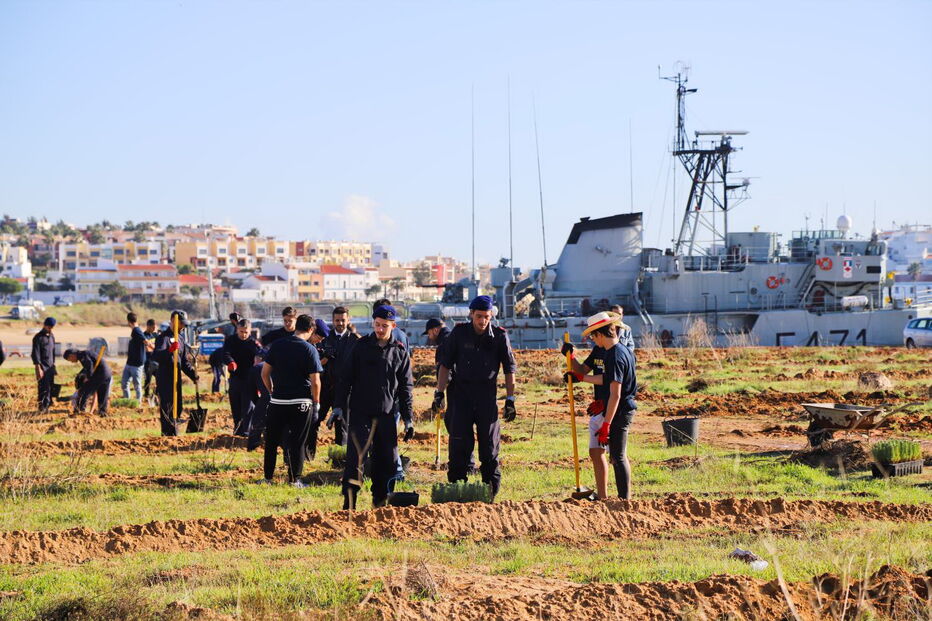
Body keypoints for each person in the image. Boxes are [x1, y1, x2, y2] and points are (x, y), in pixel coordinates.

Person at [333, 305, 414, 509]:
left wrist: (408, 418)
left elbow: (406, 387)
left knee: (386, 460)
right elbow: (345, 379)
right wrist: (338, 407)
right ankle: (349, 502)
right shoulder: (361, 347)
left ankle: (380, 503)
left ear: (393, 326)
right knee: (356, 459)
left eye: (384, 326)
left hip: (386, 415)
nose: (379, 329)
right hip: (361, 413)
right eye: (377, 325)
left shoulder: (399, 351)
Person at [436, 296, 516, 499]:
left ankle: (489, 494)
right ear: (471, 314)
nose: (482, 321)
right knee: (459, 446)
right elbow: (445, 364)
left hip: (486, 398)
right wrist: (439, 393)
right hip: (460, 396)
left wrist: (510, 400)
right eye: (479, 316)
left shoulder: (499, 336)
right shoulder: (459, 333)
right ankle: (457, 493)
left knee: (489, 448)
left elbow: (509, 369)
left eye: (487, 317)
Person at [561, 312, 632, 499]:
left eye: (593, 335)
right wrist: (574, 362)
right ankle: (603, 497)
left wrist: (606, 425)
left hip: (617, 411)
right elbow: (604, 378)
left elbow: (616, 393)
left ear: (600, 334)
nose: (592, 339)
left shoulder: (617, 355)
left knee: (618, 457)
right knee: (598, 452)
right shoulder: (606, 352)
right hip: (605, 409)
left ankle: (625, 501)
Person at [260, 314, 322, 486]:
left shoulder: (278, 345)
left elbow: (264, 373)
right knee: (297, 442)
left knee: (271, 441)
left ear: (296, 327)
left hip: (278, 401)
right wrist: (316, 403)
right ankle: (295, 480)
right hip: (301, 403)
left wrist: (272, 392)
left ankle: (268, 478)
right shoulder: (310, 349)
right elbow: (315, 381)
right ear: (311, 330)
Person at [150, 310, 198, 436]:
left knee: (178, 406)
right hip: (165, 378)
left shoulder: (180, 339)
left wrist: (193, 375)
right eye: (181, 323)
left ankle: (174, 432)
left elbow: (184, 362)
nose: (183, 326)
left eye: (184, 324)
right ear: (173, 321)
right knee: (168, 407)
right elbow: (156, 356)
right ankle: (167, 435)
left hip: (176, 379)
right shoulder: (163, 338)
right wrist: (169, 350)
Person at [321, 306, 359, 446]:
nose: (340, 323)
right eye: (337, 320)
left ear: (348, 320)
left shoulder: (355, 340)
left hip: (345, 389)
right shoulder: (325, 339)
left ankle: (341, 457)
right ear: (332, 320)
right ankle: (308, 454)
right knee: (315, 420)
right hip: (326, 387)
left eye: (343, 320)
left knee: (342, 424)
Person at [223, 318, 261, 436]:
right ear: (237, 330)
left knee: (248, 406)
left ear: (250, 331)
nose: (244, 334)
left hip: (250, 379)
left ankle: (247, 432)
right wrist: (230, 362)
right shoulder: (231, 341)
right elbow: (225, 353)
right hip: (235, 378)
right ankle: (237, 430)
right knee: (236, 405)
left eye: (246, 332)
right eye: (241, 332)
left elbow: (262, 355)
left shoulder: (253, 343)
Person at [303, 318, 333, 459]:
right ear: (312, 331)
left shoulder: (315, 347)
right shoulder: (304, 346)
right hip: (304, 391)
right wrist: (323, 361)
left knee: (313, 426)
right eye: (318, 337)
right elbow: (311, 370)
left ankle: (310, 454)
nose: (319, 341)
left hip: (314, 390)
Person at [64, 347, 112, 416]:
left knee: (83, 392)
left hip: (99, 374)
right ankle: (103, 413)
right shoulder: (85, 354)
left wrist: (88, 377)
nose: (71, 362)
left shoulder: (82, 355)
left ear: (71, 355)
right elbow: (88, 366)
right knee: (102, 395)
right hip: (107, 373)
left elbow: (89, 365)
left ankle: (80, 412)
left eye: (70, 360)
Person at [246, 348, 271, 451]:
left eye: (256, 358)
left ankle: (253, 446)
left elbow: (251, 391)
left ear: (260, 358)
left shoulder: (257, 368)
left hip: (265, 398)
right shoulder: (280, 364)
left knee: (258, 422)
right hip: (281, 398)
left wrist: (258, 402)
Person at [31, 317, 57, 414]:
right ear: (44, 325)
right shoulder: (38, 338)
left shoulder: (52, 336)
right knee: (43, 388)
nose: (50, 329)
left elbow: (52, 353)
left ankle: (48, 404)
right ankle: (42, 407)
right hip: (42, 367)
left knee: (50, 387)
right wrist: (38, 368)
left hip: (50, 367)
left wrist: (54, 366)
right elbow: (35, 354)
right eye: (49, 326)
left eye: (52, 327)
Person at [121, 312, 147, 401]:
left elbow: (145, 340)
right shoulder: (135, 331)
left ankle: (138, 403)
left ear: (128, 321)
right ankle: (127, 401)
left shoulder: (137, 330)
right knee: (124, 384)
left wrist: (153, 347)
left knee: (137, 385)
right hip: (129, 363)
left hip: (136, 364)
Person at [142, 319, 158, 401]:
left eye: (155, 327)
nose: (154, 329)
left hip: (156, 361)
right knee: (147, 379)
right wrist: (153, 347)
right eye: (153, 327)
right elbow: (147, 348)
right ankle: (146, 395)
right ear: (148, 326)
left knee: (160, 378)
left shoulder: (155, 335)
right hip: (147, 361)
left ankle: (156, 393)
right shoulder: (143, 336)